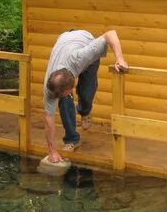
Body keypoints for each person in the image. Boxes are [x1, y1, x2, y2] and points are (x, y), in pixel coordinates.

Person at [44, 29, 128, 163]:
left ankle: (85, 111)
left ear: (70, 86)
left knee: (87, 91)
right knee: (64, 102)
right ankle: (71, 139)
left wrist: (119, 58)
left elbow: (110, 34)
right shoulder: (51, 84)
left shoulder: (83, 55)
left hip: (84, 43)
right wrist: (52, 151)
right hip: (65, 41)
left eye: (66, 92)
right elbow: (49, 119)